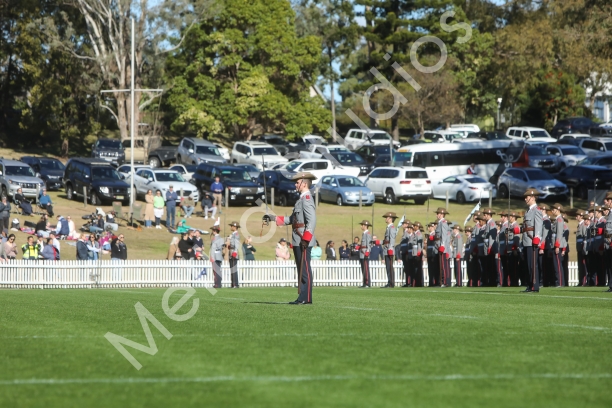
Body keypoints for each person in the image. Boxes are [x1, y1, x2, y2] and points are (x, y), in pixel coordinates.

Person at [263, 172, 317, 304]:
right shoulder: (301, 200)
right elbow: (292, 219)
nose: (295, 185)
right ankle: (303, 297)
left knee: (305, 270)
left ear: (304, 184)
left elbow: (312, 221)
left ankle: (306, 298)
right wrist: (273, 218)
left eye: (297, 183)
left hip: (303, 239)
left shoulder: (307, 199)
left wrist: (306, 239)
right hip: (299, 239)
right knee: (301, 269)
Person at [521, 189, 543, 293]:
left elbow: (538, 225)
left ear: (533, 198)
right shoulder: (528, 211)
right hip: (526, 240)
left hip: (532, 241)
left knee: (532, 265)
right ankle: (530, 285)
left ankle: (534, 286)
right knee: (528, 264)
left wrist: (537, 237)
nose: (525, 199)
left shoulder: (536, 210)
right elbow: (526, 226)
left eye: (527, 197)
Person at [549, 203, 566, 287]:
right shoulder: (556, 220)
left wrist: (557, 245)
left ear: (558, 210)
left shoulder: (559, 220)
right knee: (556, 264)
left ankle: (560, 282)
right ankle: (558, 281)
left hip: (557, 244)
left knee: (558, 265)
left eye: (554, 209)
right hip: (554, 243)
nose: (552, 211)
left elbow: (559, 233)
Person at [382, 212, 398, 288]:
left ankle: (391, 283)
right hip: (387, 249)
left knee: (390, 267)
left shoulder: (392, 228)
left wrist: (390, 248)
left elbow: (392, 239)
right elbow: (386, 240)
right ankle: (389, 282)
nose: (386, 219)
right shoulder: (388, 227)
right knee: (388, 267)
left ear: (390, 219)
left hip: (389, 249)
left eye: (387, 217)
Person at [358, 220, 372, 288]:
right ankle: (364, 282)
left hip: (365, 253)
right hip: (362, 253)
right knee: (363, 269)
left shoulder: (367, 234)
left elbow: (369, 244)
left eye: (362, 225)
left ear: (365, 226)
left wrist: (368, 251)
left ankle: (367, 283)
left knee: (366, 269)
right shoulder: (364, 234)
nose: (361, 226)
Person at [209, 222, 223, 288]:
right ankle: (219, 283)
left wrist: (212, 256)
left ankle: (217, 283)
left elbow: (213, 248)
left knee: (215, 271)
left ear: (215, 231)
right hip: (219, 255)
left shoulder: (215, 238)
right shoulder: (220, 238)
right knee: (218, 270)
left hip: (215, 255)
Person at [228, 221, 241, 288]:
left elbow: (236, 243)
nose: (231, 227)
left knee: (234, 269)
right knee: (232, 268)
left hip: (233, 252)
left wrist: (235, 251)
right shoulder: (233, 234)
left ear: (235, 227)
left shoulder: (236, 234)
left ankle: (235, 284)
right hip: (231, 251)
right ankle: (233, 283)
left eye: (232, 226)